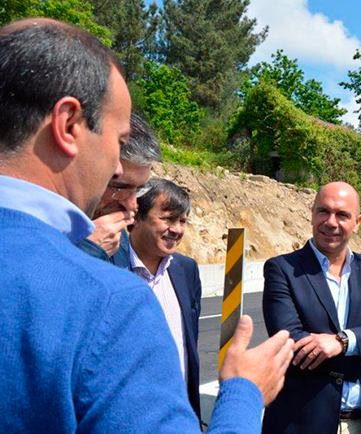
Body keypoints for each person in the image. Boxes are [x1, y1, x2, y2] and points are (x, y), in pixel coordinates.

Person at [0, 17, 292, 433]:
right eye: (118, 144)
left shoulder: (179, 274)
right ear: (68, 125)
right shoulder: (107, 299)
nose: (116, 169)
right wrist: (244, 392)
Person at [262, 181, 361, 434]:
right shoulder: (282, 269)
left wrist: (344, 341)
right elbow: (292, 343)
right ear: (312, 214)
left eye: (342, 215)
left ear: (357, 223)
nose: (331, 222)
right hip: (301, 422)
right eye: (323, 211)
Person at [118, 178, 203, 420]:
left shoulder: (186, 270)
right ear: (137, 217)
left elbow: (189, 344)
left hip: (178, 414)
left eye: (183, 221)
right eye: (167, 218)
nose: (176, 229)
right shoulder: (109, 266)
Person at [78, 111, 160, 267]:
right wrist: (87, 252)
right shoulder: (35, 223)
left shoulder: (115, 237)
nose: (132, 205)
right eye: (120, 188)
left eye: (139, 189)